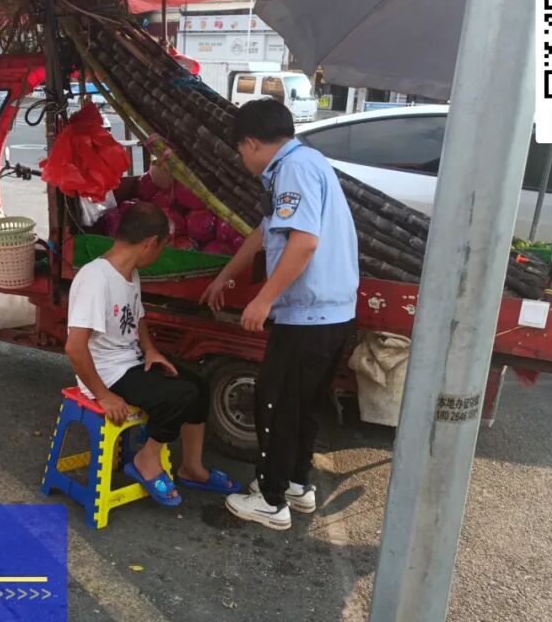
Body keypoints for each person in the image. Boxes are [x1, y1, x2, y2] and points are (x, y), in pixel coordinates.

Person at [201, 98, 359, 530]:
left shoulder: (292, 169)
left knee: (273, 403)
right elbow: (264, 231)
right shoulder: (307, 162)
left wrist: (264, 299)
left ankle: (270, 500)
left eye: (240, 150)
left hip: (307, 316)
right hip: (332, 314)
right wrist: (226, 276)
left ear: (251, 143)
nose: (243, 159)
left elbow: (303, 243)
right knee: (303, 405)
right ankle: (295, 485)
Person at [66, 201, 240, 507]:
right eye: (162, 246)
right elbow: (75, 347)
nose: (161, 253)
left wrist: (150, 350)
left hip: (130, 362)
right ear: (150, 243)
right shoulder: (96, 279)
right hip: (105, 374)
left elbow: (138, 316)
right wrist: (103, 395)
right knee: (179, 396)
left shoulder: (129, 272)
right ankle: (147, 459)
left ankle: (192, 468)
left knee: (199, 384)